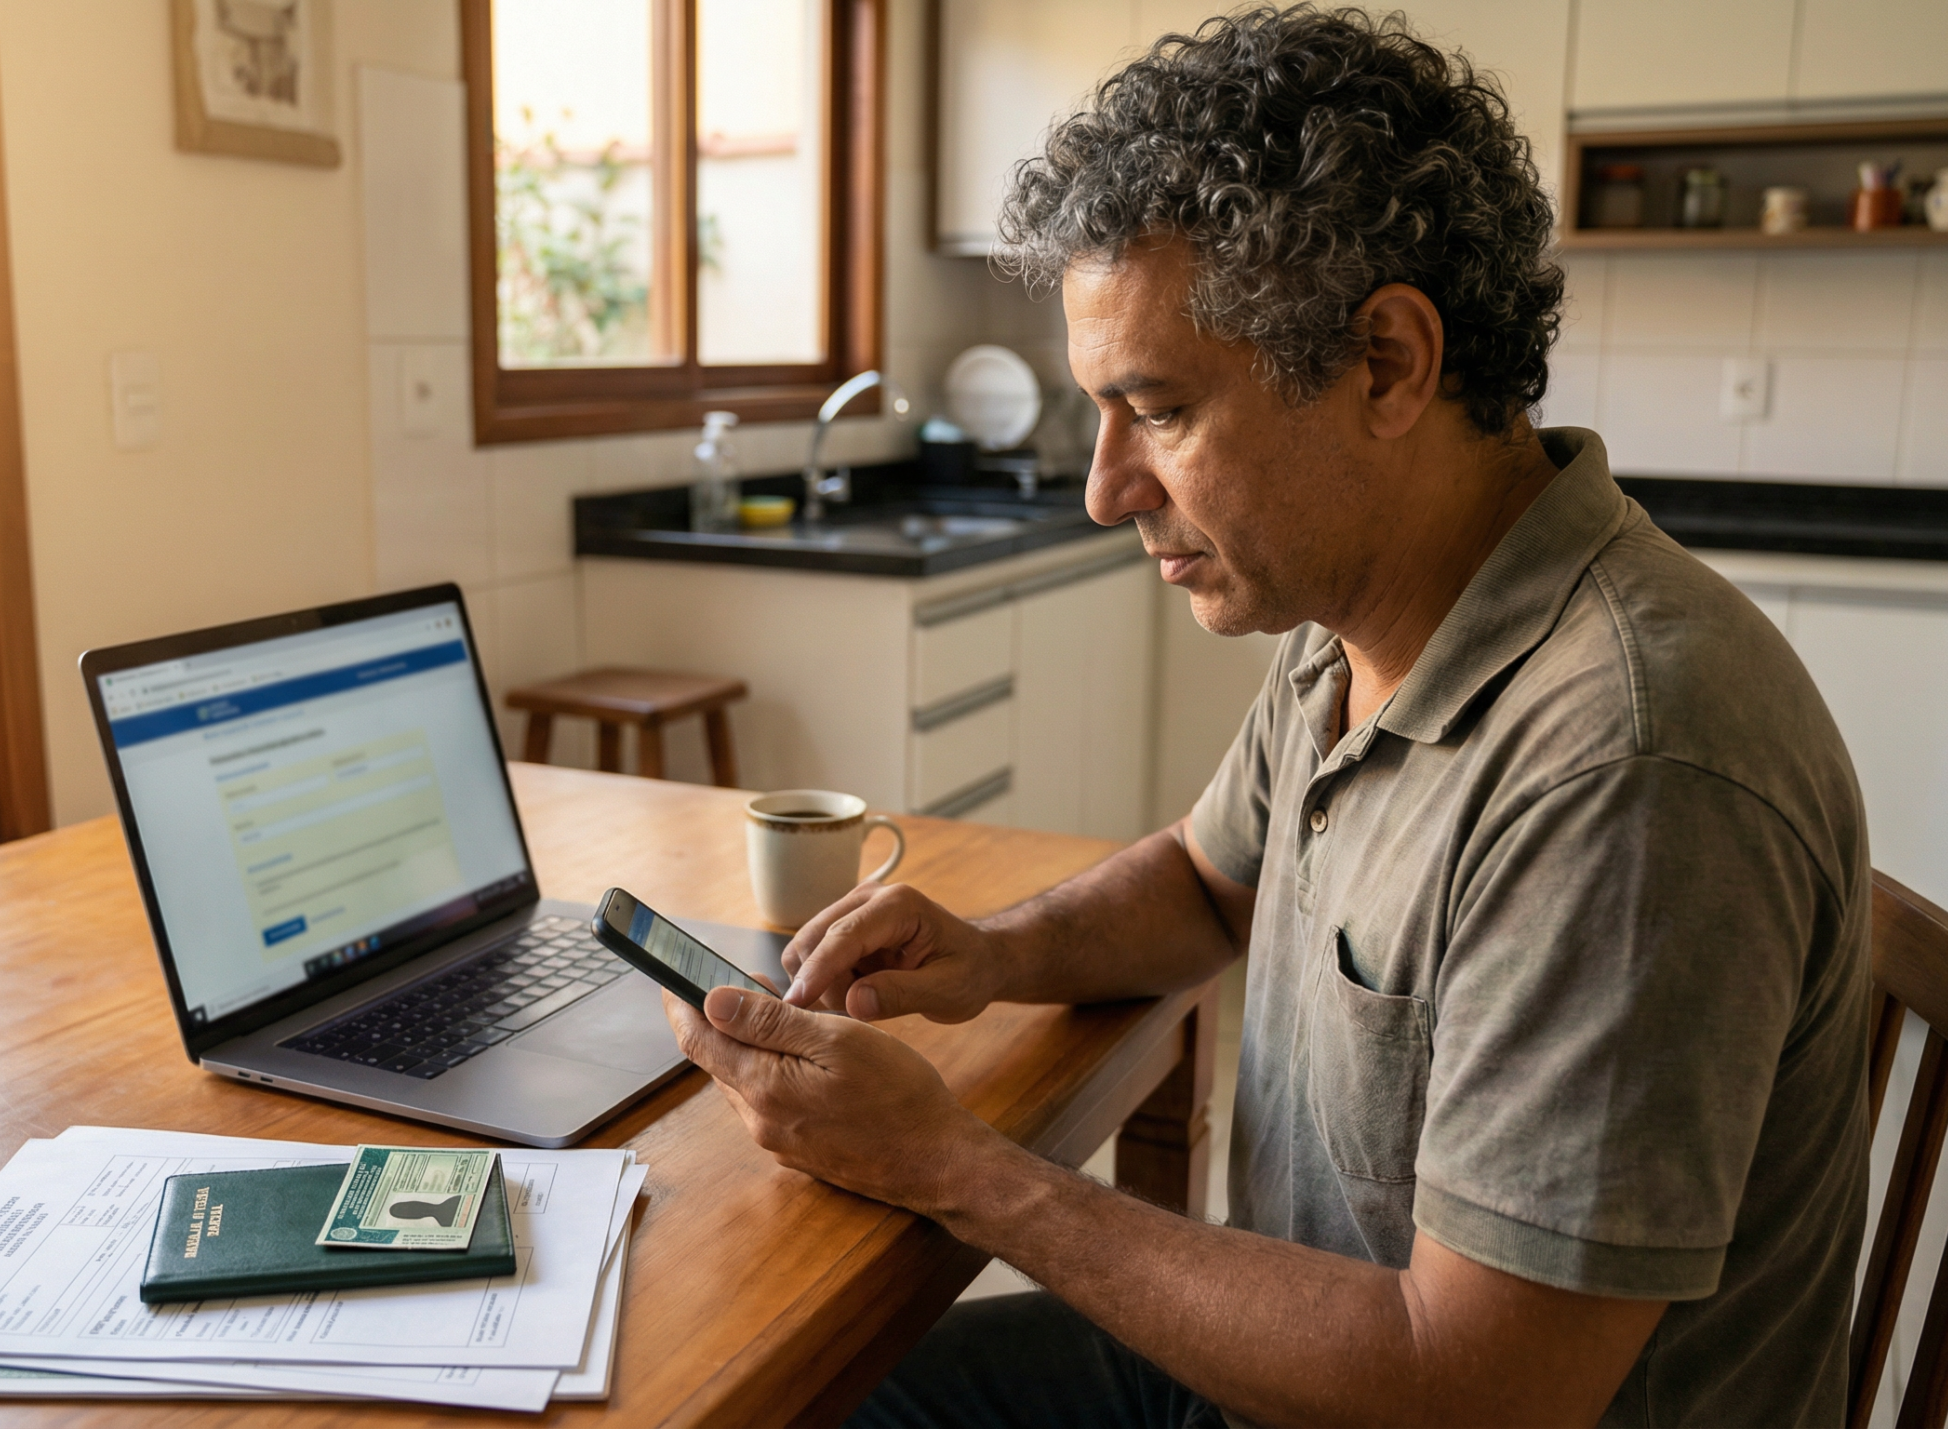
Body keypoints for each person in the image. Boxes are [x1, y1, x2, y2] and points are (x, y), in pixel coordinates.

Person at [659, 7, 1872, 1427]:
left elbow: (1479, 1390)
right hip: (1293, 1363)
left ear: (1387, 364)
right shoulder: (1361, 620)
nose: (1106, 489)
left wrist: (960, 1167)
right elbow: (1202, 881)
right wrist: (993, 953)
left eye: (1158, 410)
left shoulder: (1625, 764)